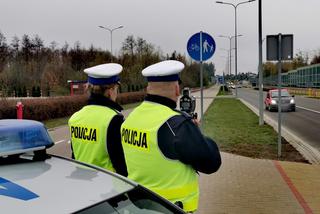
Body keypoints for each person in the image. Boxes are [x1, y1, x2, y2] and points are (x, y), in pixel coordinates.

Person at [121, 60, 221, 212]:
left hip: (138, 207)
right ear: (176, 89)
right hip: (171, 207)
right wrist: (197, 133)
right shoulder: (177, 125)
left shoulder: (130, 119)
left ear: (148, 88)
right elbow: (212, 163)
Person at [69, 63, 127, 177]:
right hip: (108, 186)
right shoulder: (114, 119)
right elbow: (121, 163)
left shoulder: (75, 117)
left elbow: (74, 155)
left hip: (81, 180)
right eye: (116, 89)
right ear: (110, 91)